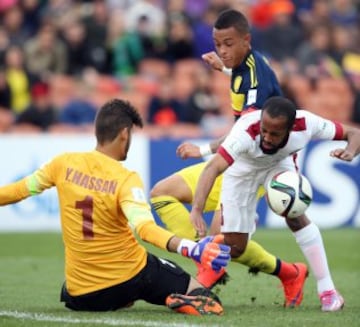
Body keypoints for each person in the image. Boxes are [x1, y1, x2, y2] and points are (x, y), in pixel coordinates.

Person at [0, 98, 231, 315]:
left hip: (81, 295)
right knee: (204, 296)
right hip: (128, 277)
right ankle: (180, 298)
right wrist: (192, 248)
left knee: (78, 286)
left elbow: (19, 190)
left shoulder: (62, 164)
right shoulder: (125, 179)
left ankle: (123, 298)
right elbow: (145, 229)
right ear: (124, 134)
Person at [151, 9, 308, 308]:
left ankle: (200, 292)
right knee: (161, 194)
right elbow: (243, 83)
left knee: (221, 239)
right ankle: (289, 272)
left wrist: (202, 150)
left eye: (227, 44)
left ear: (245, 40)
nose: (221, 50)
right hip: (231, 160)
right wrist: (223, 68)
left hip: (250, 165)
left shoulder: (257, 80)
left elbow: (246, 132)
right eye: (217, 44)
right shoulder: (244, 67)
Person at [190, 96, 360, 312]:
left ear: (290, 129)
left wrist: (350, 152)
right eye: (265, 130)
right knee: (235, 247)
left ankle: (328, 292)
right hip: (242, 172)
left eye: (275, 133)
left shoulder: (307, 123)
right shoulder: (245, 132)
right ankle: (249, 219)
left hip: (279, 166)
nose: (267, 138)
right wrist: (196, 209)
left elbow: (355, 134)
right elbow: (212, 168)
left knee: (294, 213)